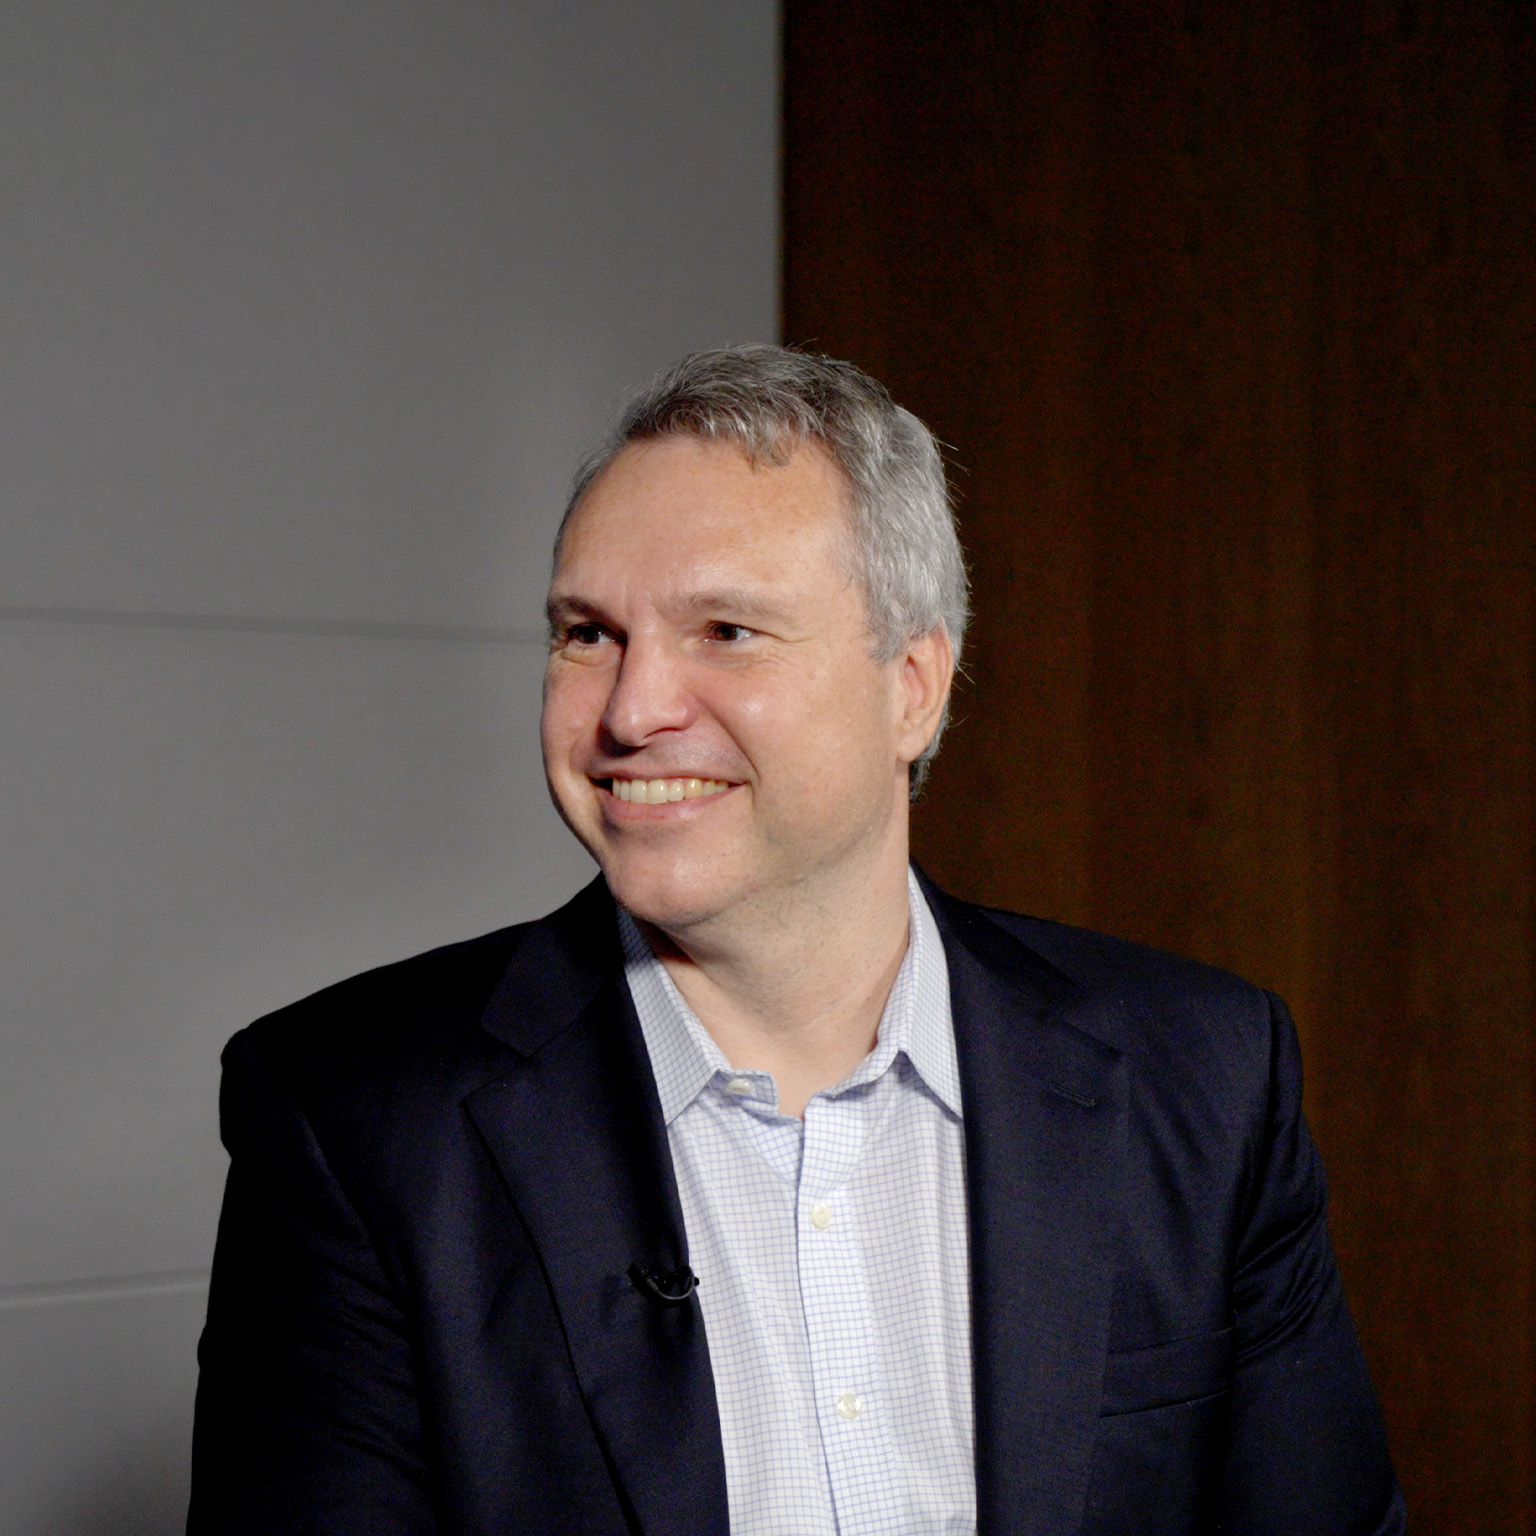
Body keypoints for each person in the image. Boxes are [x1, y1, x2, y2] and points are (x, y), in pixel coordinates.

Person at [187, 345, 1407, 1535]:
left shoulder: (1204, 1076)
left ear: (912, 687)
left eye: (726, 630)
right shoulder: (355, 1119)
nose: (630, 710)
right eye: (588, 634)